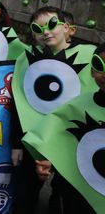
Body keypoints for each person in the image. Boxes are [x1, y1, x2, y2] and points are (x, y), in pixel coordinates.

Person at [11, 6, 97, 214]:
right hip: (35, 139)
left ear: (66, 27)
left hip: (74, 142)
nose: (45, 32)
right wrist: (17, 144)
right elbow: (18, 103)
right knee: (25, 194)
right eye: (37, 28)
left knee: (71, 196)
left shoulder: (91, 57)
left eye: (51, 25)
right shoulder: (27, 59)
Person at [24, 44, 105, 214]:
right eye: (99, 66)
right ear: (91, 71)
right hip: (76, 191)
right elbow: (60, 138)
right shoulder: (77, 105)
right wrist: (48, 161)